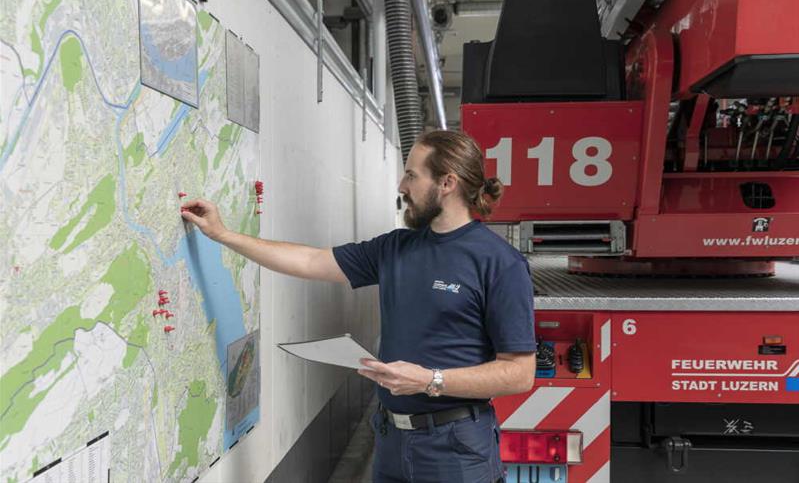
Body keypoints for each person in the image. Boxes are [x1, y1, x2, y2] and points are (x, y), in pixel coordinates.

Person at [181, 130, 537, 483]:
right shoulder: (397, 248)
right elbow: (309, 261)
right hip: (391, 440)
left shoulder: (498, 263)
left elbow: (519, 373)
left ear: (447, 183)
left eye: (412, 175)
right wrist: (223, 235)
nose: (402, 185)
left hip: (455, 449)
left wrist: (431, 380)